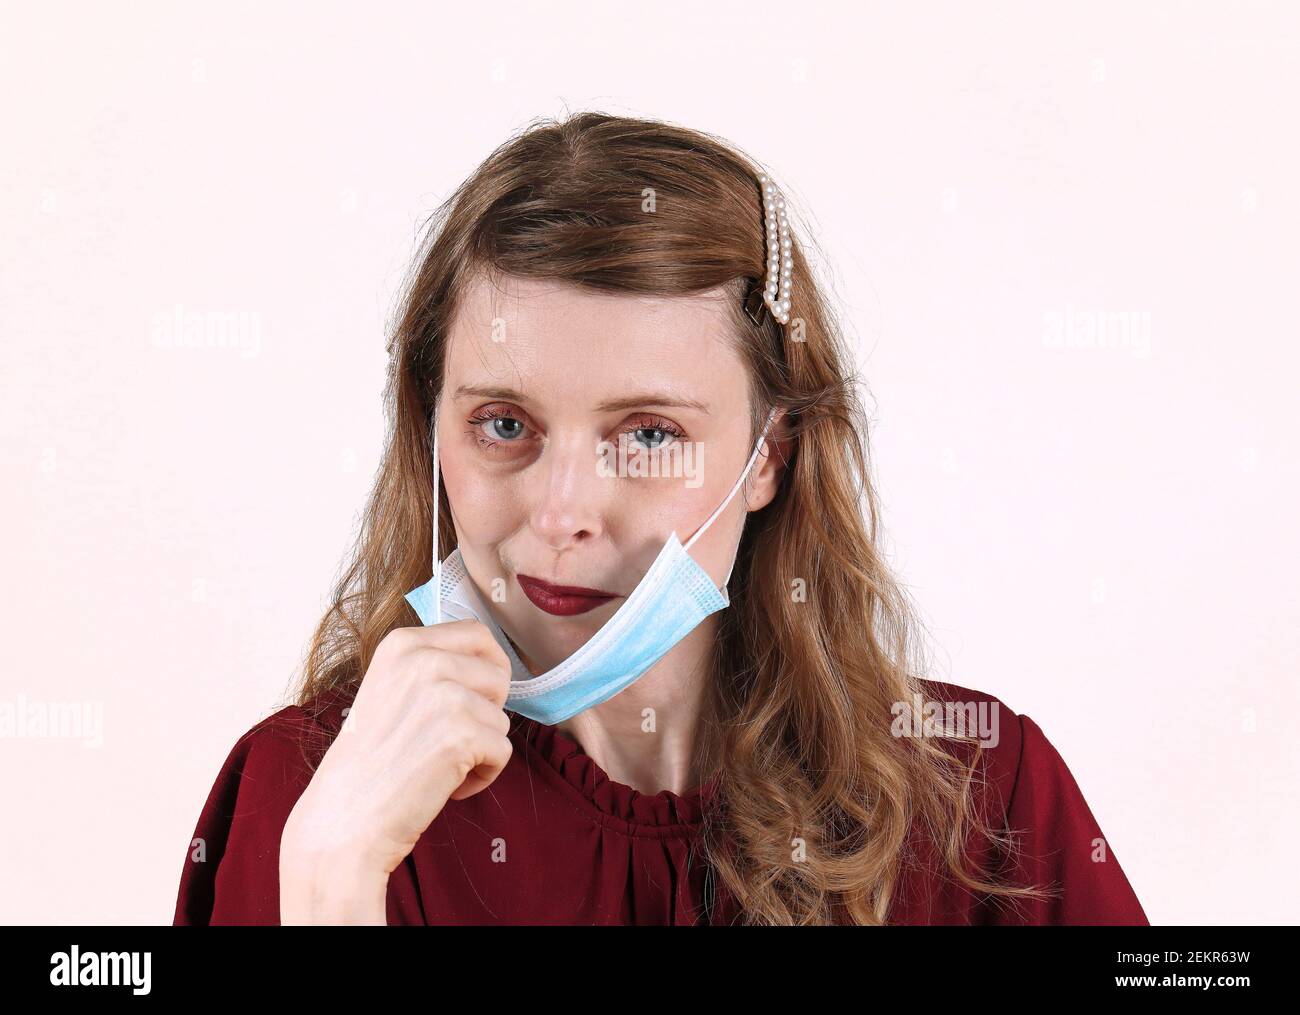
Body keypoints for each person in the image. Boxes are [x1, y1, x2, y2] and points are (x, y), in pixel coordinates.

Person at [173, 112, 1148, 926]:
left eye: (646, 437)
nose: (560, 516)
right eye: (503, 424)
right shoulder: (305, 793)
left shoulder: (981, 797)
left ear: (770, 451)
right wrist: (332, 877)